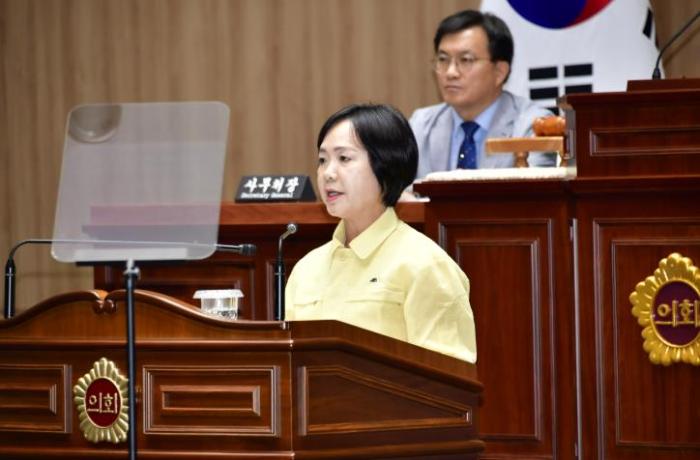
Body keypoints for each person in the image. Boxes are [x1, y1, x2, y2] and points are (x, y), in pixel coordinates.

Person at [285, 103, 476, 363]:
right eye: (322, 160)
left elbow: (449, 377)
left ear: (385, 165)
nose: (328, 173)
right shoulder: (306, 269)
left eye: (344, 158)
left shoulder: (426, 265)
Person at [410, 9, 557, 179]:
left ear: (500, 72)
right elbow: (398, 188)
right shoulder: (420, 126)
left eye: (465, 60)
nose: (450, 72)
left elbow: (537, 192)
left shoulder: (532, 126)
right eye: (443, 59)